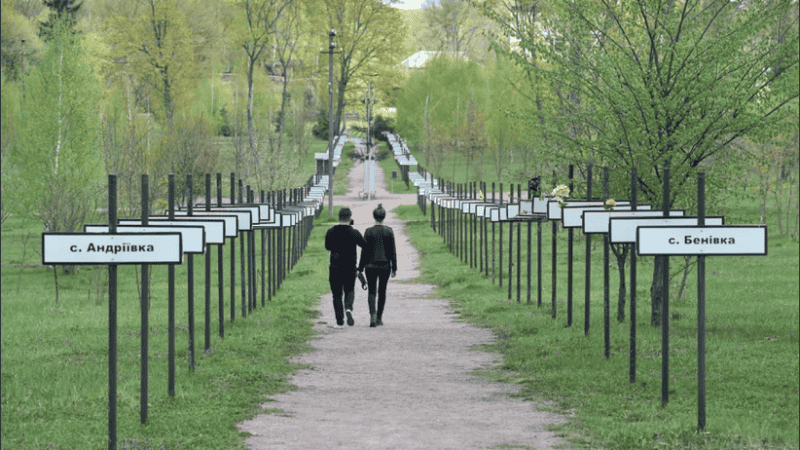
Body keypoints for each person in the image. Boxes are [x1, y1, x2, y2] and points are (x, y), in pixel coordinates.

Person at [325, 207, 366, 328]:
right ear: (350, 218)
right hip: (350, 267)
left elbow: (327, 247)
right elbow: (365, 246)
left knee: (336, 295)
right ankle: (348, 308)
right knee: (349, 290)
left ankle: (339, 322)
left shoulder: (331, 231)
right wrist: (361, 265)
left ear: (339, 217)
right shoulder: (354, 232)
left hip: (335, 267)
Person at [358, 204, 397, 327]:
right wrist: (394, 267)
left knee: (371, 291)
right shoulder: (389, 231)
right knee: (382, 291)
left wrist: (360, 268)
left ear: (374, 217)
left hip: (370, 266)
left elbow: (364, 251)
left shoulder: (368, 231)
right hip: (385, 265)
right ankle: (379, 317)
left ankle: (372, 315)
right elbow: (392, 251)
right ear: (384, 217)